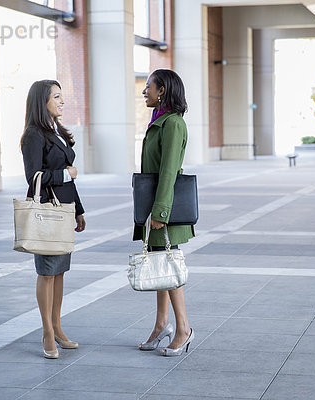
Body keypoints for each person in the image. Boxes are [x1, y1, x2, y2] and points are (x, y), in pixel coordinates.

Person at [20, 80, 86, 359]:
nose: (62, 101)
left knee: (59, 271)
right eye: (56, 97)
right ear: (41, 101)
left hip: (64, 209)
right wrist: (64, 174)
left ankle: (57, 327)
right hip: (46, 211)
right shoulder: (33, 135)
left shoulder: (56, 131)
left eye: (62, 96)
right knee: (46, 271)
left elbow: (68, 175)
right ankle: (47, 331)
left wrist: (79, 210)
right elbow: (33, 176)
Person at [135, 69, 194, 356]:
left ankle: (184, 329)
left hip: (164, 207)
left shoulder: (173, 124)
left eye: (149, 87)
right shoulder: (159, 120)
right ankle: (162, 324)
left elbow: (169, 170)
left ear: (163, 91)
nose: (145, 91)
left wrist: (160, 212)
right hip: (155, 203)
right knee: (161, 263)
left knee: (169, 266)